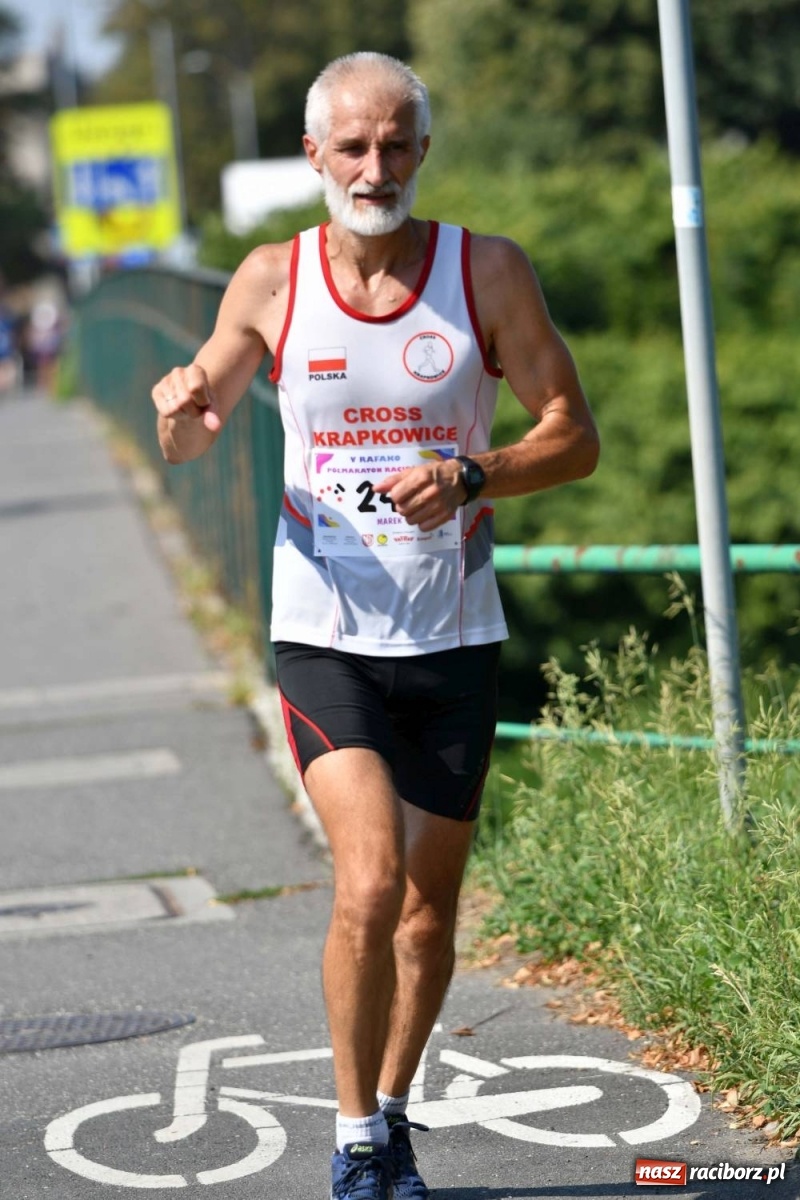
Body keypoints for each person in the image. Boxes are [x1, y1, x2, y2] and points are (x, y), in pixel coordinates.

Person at [153, 51, 599, 1200]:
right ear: (313, 157)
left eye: (395, 143)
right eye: (351, 147)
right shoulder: (269, 276)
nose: (374, 167)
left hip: (451, 631)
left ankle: (394, 1107)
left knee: (427, 911)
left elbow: (572, 434)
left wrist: (474, 471)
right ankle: (352, 1141)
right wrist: (180, 410)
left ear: (423, 151)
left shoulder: (485, 271)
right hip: (324, 628)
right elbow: (201, 418)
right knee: (366, 884)